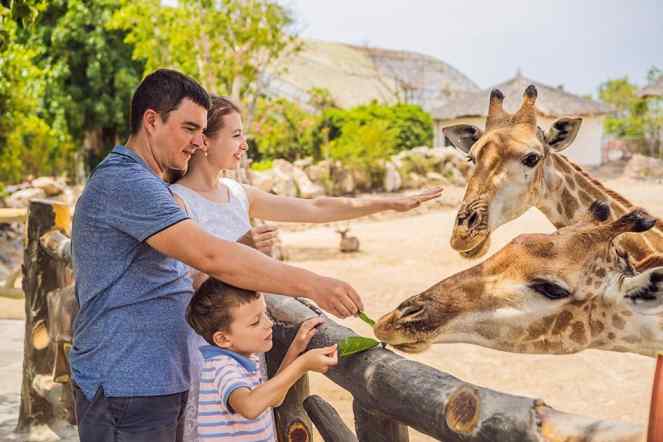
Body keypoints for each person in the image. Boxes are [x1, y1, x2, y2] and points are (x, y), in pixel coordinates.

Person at [70, 69, 363, 442]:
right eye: (189, 128)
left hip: (153, 381)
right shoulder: (127, 184)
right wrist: (315, 285)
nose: (198, 142)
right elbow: (211, 256)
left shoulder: (149, 185)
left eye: (202, 130)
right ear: (151, 120)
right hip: (127, 386)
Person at [169, 95, 443, 441]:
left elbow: (316, 207)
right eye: (236, 135)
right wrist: (243, 248)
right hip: (212, 343)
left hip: (249, 338)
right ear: (205, 142)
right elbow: (187, 283)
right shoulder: (177, 201)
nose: (245, 144)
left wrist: (389, 203)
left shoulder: (239, 193)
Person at [186, 278, 335, 442]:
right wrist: (301, 364)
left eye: (265, 314)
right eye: (255, 322)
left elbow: (274, 399)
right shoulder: (222, 367)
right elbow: (250, 407)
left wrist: (295, 349)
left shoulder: (244, 359)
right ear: (223, 339)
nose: (268, 323)